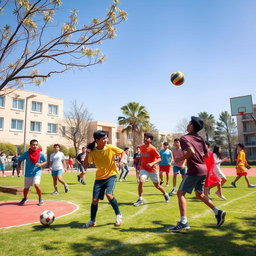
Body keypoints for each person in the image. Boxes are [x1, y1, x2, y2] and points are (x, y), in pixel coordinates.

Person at [169, 116, 226, 232]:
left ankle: (183, 222)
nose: (188, 124)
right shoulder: (200, 138)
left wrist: (180, 159)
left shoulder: (184, 138)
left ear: (191, 126)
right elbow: (205, 154)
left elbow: (191, 152)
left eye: (189, 122)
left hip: (194, 169)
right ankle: (217, 212)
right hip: (203, 169)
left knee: (180, 193)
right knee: (199, 194)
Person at [82, 130, 125, 228]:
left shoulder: (110, 147)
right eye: (103, 138)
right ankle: (92, 221)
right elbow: (85, 165)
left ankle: (118, 215)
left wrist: (121, 160)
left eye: (106, 138)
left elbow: (122, 152)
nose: (106, 140)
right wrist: (87, 154)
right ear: (97, 140)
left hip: (111, 175)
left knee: (109, 195)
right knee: (94, 200)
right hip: (99, 178)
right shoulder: (92, 152)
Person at [133, 133, 170, 206]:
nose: (145, 139)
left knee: (157, 186)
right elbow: (141, 156)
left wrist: (152, 163)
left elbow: (159, 158)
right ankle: (140, 199)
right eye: (145, 138)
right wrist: (139, 165)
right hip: (144, 169)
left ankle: (165, 194)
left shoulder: (153, 148)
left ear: (151, 140)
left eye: (147, 138)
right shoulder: (141, 147)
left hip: (152, 170)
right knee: (141, 181)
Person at [17, 139, 47, 206]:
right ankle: (25, 198)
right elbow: (19, 159)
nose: (35, 146)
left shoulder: (40, 153)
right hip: (28, 173)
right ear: (30, 145)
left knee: (37, 185)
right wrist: (19, 167)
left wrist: (40, 164)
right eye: (33, 145)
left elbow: (45, 161)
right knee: (26, 188)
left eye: (36, 145)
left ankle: (40, 198)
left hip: (37, 172)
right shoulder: (26, 153)